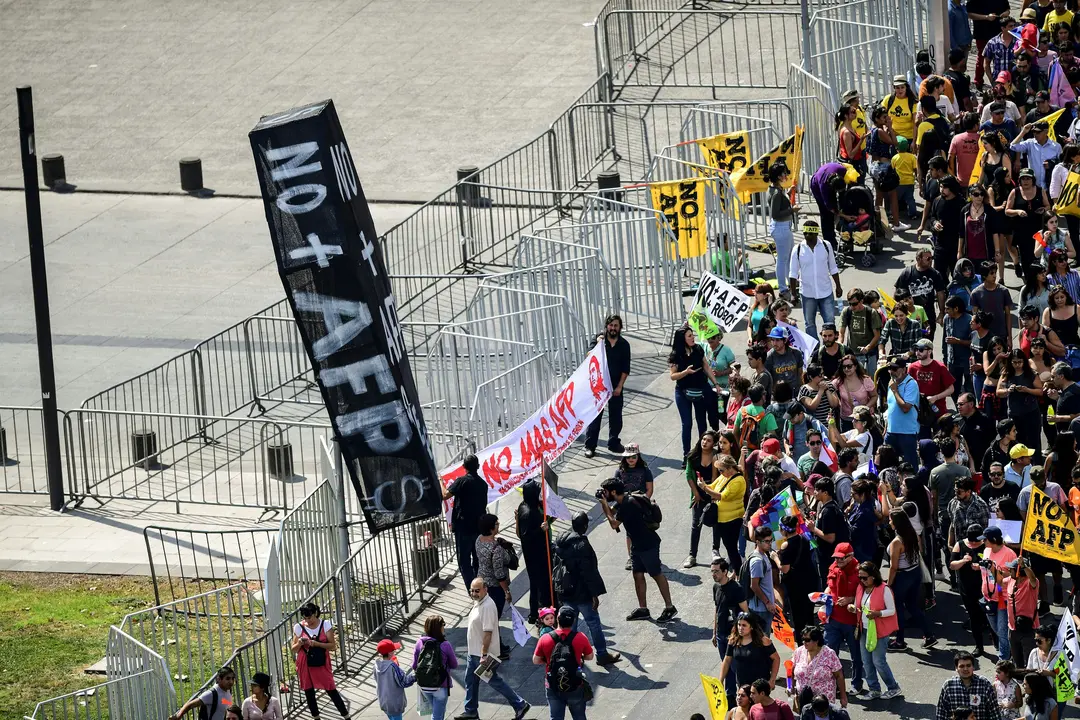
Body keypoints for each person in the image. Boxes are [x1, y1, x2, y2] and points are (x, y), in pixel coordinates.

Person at [598, 478, 677, 622]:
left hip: (648, 545)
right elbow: (611, 512)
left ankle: (670, 607)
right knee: (638, 574)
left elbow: (614, 524)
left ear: (614, 492)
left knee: (656, 574)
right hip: (637, 545)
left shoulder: (627, 505)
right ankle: (643, 609)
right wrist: (604, 504)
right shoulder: (623, 501)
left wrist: (604, 504)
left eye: (606, 492)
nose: (605, 494)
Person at [553, 511, 622, 666]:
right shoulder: (582, 545)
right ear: (584, 526)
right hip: (582, 593)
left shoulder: (561, 542)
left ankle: (573, 658)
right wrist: (594, 595)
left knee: (570, 627)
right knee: (593, 623)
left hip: (565, 591)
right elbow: (588, 573)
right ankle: (602, 654)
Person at [460, 580, 530, 720]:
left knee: (494, 681)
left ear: (485, 589)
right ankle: (471, 710)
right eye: (472, 590)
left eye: (477, 590)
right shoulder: (479, 602)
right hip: (473, 653)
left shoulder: (487, 606)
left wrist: (484, 654)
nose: (473, 593)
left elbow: (488, 633)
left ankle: (519, 704)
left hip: (482, 655)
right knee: (471, 681)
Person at [849, 562, 903, 700]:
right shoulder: (860, 588)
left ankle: (893, 687)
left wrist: (877, 614)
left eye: (864, 578)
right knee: (866, 661)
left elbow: (891, 610)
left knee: (878, 661)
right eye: (860, 577)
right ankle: (874, 689)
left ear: (873, 576)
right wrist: (852, 608)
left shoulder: (884, 589)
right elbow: (858, 606)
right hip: (864, 629)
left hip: (879, 631)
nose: (862, 580)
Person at [885, 508, 938, 650]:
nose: (889, 522)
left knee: (899, 608)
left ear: (896, 523)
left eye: (890, 520)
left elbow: (893, 567)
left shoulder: (897, 542)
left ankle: (900, 641)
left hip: (902, 577)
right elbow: (919, 551)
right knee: (913, 606)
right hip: (915, 573)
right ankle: (929, 635)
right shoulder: (913, 534)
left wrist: (888, 584)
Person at [532, 606, 593, 720]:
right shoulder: (580, 637)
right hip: (575, 683)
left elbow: (536, 660)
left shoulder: (545, 638)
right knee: (579, 716)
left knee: (555, 717)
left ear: (558, 618)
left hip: (553, 684)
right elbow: (590, 656)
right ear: (573, 621)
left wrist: (548, 659)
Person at [291, 603, 350, 720]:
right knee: (308, 690)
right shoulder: (299, 627)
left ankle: (345, 715)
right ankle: (316, 716)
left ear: (315, 614)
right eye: (305, 618)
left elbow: (333, 646)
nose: (308, 621)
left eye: (310, 617)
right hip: (305, 661)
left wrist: (317, 644)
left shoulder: (325, 625)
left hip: (321, 660)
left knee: (330, 687)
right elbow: (293, 649)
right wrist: (300, 643)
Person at [584, 314, 631, 457]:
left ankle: (614, 443)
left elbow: (625, 369)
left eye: (616, 325)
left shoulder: (624, 345)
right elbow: (588, 357)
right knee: (595, 417)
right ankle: (590, 446)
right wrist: (598, 345)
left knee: (616, 416)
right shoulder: (599, 340)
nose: (613, 328)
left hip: (615, 385)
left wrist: (620, 387)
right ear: (606, 326)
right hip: (598, 386)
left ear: (620, 327)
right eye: (611, 325)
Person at [822, 543, 865, 694]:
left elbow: (866, 595)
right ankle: (832, 685)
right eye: (836, 558)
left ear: (850, 557)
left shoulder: (860, 572)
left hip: (851, 622)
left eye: (841, 559)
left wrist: (851, 599)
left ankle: (857, 684)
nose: (838, 561)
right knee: (829, 654)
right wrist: (825, 594)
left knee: (856, 656)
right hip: (833, 619)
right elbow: (830, 585)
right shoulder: (833, 567)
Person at [788, 220, 842, 340]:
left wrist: (838, 286)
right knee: (809, 323)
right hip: (807, 293)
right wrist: (793, 294)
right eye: (805, 233)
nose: (808, 236)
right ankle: (815, 350)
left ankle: (831, 345)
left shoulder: (826, 246)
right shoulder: (797, 249)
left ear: (816, 233)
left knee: (830, 321)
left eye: (811, 234)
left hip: (826, 291)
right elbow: (793, 273)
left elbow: (833, 267)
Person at [443, 454, 488, 591]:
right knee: (477, 560)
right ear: (478, 467)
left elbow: (445, 495)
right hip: (478, 528)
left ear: (464, 467)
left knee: (464, 562)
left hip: (464, 529)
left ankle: (473, 591)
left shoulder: (461, 481)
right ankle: (479, 588)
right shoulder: (483, 484)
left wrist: (440, 481)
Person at [671, 325, 715, 458]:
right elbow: (672, 376)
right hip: (683, 392)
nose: (693, 338)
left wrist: (716, 383)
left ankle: (703, 452)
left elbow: (706, 367)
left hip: (699, 390)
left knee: (702, 421)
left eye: (692, 335)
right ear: (682, 339)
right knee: (687, 423)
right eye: (689, 336)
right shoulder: (676, 355)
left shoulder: (698, 349)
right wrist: (685, 372)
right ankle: (686, 454)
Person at [950, 525, 993, 655]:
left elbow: (994, 565)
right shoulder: (960, 544)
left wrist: (980, 567)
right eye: (972, 541)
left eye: (977, 541)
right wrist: (963, 561)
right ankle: (979, 646)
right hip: (966, 588)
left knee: (989, 615)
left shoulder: (986, 546)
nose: (974, 544)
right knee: (973, 617)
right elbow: (952, 565)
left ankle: (995, 641)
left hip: (985, 588)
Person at [698, 454, 747, 568]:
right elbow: (713, 487)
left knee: (732, 548)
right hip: (722, 518)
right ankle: (736, 571)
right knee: (729, 547)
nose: (720, 472)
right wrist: (704, 485)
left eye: (722, 470)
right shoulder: (724, 476)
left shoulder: (738, 481)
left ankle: (738, 572)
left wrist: (704, 488)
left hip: (732, 519)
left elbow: (721, 496)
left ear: (730, 468)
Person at [713, 557, 750, 703]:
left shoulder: (736, 589)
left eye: (716, 572)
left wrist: (741, 633)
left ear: (725, 571)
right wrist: (714, 632)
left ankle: (744, 695)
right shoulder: (716, 587)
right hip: (721, 635)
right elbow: (717, 610)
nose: (713, 574)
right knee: (725, 664)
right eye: (712, 571)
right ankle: (730, 696)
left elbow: (745, 611)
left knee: (735, 667)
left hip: (733, 636)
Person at [515, 480, 553, 622]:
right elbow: (526, 535)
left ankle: (535, 612)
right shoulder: (528, 512)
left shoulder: (527, 506)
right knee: (540, 583)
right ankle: (540, 613)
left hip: (539, 551)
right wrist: (541, 529)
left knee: (537, 582)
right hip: (535, 554)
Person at [475, 513, 511, 660]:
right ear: (491, 529)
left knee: (489, 618)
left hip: (482, 583)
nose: (498, 525)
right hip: (494, 588)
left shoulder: (479, 540)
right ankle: (497, 650)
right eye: (496, 524)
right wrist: (506, 591)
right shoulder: (496, 549)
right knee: (493, 620)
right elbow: (499, 574)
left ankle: (498, 645)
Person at [778, 515, 819, 643]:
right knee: (808, 613)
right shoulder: (804, 538)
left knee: (798, 616)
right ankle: (814, 641)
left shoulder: (786, 545)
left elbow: (785, 569)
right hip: (810, 580)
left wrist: (775, 557)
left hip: (796, 585)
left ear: (784, 530)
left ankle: (803, 645)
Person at [979, 525, 1018, 662]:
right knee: (996, 628)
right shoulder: (986, 551)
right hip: (988, 597)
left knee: (1001, 631)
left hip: (1003, 597)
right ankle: (1009, 649)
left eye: (986, 539)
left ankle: (1004, 659)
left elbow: (1012, 575)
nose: (983, 542)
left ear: (994, 539)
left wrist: (996, 570)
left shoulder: (1009, 554)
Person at [997, 349, 1045, 456]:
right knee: (1017, 440)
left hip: (1031, 412)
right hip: (1015, 413)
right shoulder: (1006, 374)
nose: (1017, 365)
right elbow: (999, 392)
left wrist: (1026, 390)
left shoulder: (1031, 373)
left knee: (1034, 440)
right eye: (1014, 362)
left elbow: (1040, 391)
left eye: (1020, 362)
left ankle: (1036, 463)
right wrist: (1008, 390)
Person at [995, 557, 1041, 667]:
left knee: (1030, 661)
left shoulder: (1031, 583)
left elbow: (1033, 578)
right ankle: (1019, 679)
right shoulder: (1011, 580)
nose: (1009, 571)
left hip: (1029, 629)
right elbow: (1000, 582)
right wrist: (993, 569)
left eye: (1011, 569)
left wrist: (1024, 566)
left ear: (1019, 570)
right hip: (1013, 629)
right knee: (1017, 660)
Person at [412, 615, 459, 720]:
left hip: (424, 685)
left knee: (437, 711)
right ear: (439, 627)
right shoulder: (445, 644)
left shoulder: (420, 642)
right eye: (443, 625)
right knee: (437, 716)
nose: (444, 627)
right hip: (440, 685)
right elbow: (454, 664)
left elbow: (414, 665)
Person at [719, 613, 782, 690]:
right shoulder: (733, 641)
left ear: (751, 627)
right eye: (739, 624)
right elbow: (727, 660)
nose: (740, 628)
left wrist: (772, 680)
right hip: (742, 685)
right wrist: (721, 680)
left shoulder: (763, 641)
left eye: (744, 625)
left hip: (760, 687)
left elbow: (776, 659)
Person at [935, 651, 1003, 720]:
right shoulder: (948, 686)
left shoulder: (984, 684)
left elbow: (994, 712)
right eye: (962, 666)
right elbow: (941, 713)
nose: (965, 669)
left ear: (973, 667)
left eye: (968, 665)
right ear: (956, 668)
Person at [896, 248, 947, 339]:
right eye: (928, 258)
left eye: (932, 258)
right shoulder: (907, 273)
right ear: (918, 259)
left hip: (928, 315)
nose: (931, 260)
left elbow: (940, 293)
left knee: (927, 345)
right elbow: (897, 293)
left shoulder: (935, 274)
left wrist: (941, 313)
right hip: (909, 316)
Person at [808, 477, 851, 581]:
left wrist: (813, 529)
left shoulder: (828, 511)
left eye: (817, 490)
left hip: (830, 557)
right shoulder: (829, 506)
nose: (815, 492)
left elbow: (830, 537)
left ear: (825, 493)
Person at [768, 162, 799, 292]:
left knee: (789, 258)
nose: (786, 175)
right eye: (784, 173)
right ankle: (783, 287)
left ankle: (790, 283)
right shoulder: (777, 193)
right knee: (782, 260)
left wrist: (790, 191)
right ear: (779, 176)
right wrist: (792, 210)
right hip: (781, 228)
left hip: (784, 227)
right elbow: (775, 214)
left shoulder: (777, 189)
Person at [885, 357, 921, 467]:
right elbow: (890, 408)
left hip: (907, 433)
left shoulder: (911, 384)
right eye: (890, 368)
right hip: (891, 432)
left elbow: (906, 408)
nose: (892, 372)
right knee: (889, 465)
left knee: (909, 465)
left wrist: (895, 390)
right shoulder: (891, 383)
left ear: (904, 369)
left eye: (895, 369)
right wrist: (886, 428)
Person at [840, 289, 883, 376]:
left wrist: (867, 348)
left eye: (855, 304)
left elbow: (877, 335)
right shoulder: (847, 312)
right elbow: (841, 333)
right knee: (854, 378)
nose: (852, 306)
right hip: (853, 353)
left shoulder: (871, 313)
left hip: (870, 353)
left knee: (871, 378)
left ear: (862, 301)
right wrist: (840, 347)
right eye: (850, 304)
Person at [170, 666, 236, 720]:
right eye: (227, 679)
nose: (231, 682)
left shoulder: (228, 690)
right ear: (219, 679)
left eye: (232, 679)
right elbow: (190, 705)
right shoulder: (211, 694)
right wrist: (178, 716)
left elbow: (225, 705)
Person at [972, 262, 1015, 344]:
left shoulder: (1003, 291)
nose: (995, 275)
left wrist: (1009, 336)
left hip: (1001, 334)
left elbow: (1008, 314)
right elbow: (975, 315)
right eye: (991, 273)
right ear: (984, 275)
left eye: (995, 272)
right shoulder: (976, 293)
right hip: (984, 336)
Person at [374, 638, 415, 720]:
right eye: (394, 650)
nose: (395, 652)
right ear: (389, 653)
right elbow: (404, 682)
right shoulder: (393, 667)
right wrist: (414, 676)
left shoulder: (376, 665)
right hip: (395, 702)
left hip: (384, 701)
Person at [705, 331, 738, 427]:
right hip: (709, 388)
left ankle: (731, 430)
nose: (710, 339)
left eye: (713, 337)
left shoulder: (726, 350)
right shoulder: (706, 348)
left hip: (722, 391)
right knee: (711, 415)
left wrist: (721, 373)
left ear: (719, 338)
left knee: (721, 412)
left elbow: (734, 367)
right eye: (708, 337)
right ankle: (715, 435)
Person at [944, 296, 975, 397]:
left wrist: (958, 341)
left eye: (948, 309)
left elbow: (974, 343)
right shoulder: (946, 319)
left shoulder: (969, 320)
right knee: (953, 388)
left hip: (966, 361)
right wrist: (945, 358)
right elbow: (944, 340)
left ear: (956, 309)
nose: (945, 311)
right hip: (952, 361)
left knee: (969, 388)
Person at [959, 390, 996, 462]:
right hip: (964, 460)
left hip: (982, 460)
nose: (958, 407)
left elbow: (993, 440)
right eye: (958, 404)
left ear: (971, 404)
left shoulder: (984, 420)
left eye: (961, 404)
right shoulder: (958, 420)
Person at [1043, 281, 1080, 346]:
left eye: (1062, 297)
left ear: (1066, 297)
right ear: (1053, 299)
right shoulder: (1048, 311)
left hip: (1075, 346)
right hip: (1056, 347)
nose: (1059, 300)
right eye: (1056, 298)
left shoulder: (1076, 308)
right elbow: (1044, 333)